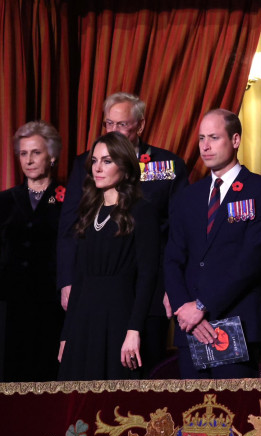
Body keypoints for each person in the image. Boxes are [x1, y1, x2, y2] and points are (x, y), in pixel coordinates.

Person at [57, 92, 187, 376]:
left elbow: (178, 232)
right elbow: (70, 232)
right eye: (109, 124)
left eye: (122, 125)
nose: (114, 131)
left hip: (141, 290)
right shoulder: (87, 177)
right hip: (90, 300)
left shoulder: (167, 167)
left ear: (139, 125)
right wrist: (66, 283)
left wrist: (173, 288)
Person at [164, 109, 261, 379]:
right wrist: (184, 308)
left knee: (231, 415)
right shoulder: (188, 197)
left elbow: (251, 260)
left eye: (214, 137)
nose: (205, 146)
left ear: (236, 140)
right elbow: (172, 258)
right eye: (202, 138)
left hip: (235, 321)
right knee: (193, 416)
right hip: (189, 326)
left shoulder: (260, 191)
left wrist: (203, 306)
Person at [57, 132, 160, 381]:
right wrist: (66, 334)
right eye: (94, 161)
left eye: (107, 161)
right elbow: (79, 277)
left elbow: (148, 276)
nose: (98, 168)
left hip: (119, 316)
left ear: (124, 167)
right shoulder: (88, 211)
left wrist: (134, 330)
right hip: (83, 317)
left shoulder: (142, 211)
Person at [0, 120, 65, 382]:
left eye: (35, 152)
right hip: (6, 304)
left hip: (48, 306)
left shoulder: (67, 198)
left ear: (52, 155)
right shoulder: (5, 199)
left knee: (41, 378)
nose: (28, 160)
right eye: (23, 153)